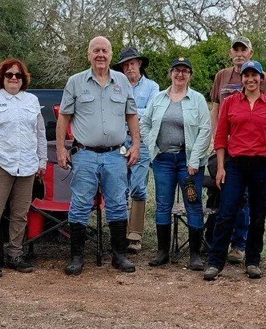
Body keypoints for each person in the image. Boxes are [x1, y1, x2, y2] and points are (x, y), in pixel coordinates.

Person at [56, 36, 141, 275]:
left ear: (111, 55)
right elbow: (64, 117)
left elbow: (132, 115)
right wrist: (61, 148)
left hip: (115, 155)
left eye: (104, 50)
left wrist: (136, 144)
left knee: (117, 203)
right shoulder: (75, 82)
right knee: (80, 204)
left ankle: (119, 255)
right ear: (89, 55)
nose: (100, 55)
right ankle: (76, 257)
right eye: (96, 51)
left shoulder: (122, 82)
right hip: (85, 154)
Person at [204, 60, 266, 281]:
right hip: (235, 164)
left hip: (262, 165)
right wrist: (221, 167)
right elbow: (221, 137)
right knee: (227, 212)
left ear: (261, 78)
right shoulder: (230, 102)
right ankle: (215, 262)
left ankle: (253, 261)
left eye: (254, 75)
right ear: (242, 79)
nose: (250, 79)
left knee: (257, 215)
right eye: (246, 75)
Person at [0, 59, 47, 277]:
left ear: (24, 79)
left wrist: (42, 160)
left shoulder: (32, 100)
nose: (14, 78)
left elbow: (40, 133)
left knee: (20, 214)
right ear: (1, 77)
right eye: (9, 74)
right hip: (0, 163)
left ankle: (15, 255)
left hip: (28, 165)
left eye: (18, 75)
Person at [140, 57, 211, 270]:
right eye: (177, 70)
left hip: (188, 162)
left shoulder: (197, 99)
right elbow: (144, 123)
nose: (180, 74)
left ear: (190, 75)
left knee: (193, 204)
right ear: (170, 73)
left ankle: (195, 255)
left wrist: (195, 159)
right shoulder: (159, 98)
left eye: (185, 71)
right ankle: (162, 252)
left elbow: (205, 130)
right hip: (163, 160)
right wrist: (152, 148)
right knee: (163, 204)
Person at [112, 46, 159, 253]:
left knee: (138, 186)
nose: (129, 68)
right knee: (119, 186)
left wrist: (127, 112)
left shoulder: (152, 87)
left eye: (132, 63)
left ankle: (135, 234)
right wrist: (134, 113)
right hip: (119, 141)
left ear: (139, 64)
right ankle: (119, 233)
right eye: (125, 65)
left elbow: (151, 113)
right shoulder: (116, 86)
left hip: (142, 141)